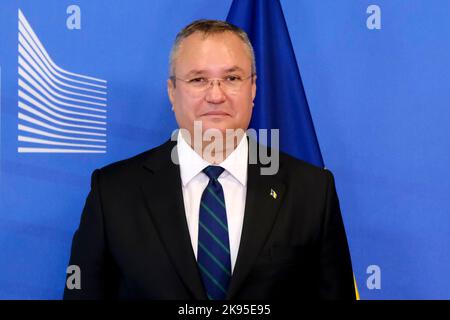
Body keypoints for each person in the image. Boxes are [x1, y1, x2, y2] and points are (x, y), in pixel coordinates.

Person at [63, 20, 356, 300]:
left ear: (253, 88)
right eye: (198, 79)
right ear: (172, 91)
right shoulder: (113, 193)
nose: (215, 95)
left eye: (231, 78)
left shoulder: (312, 191)